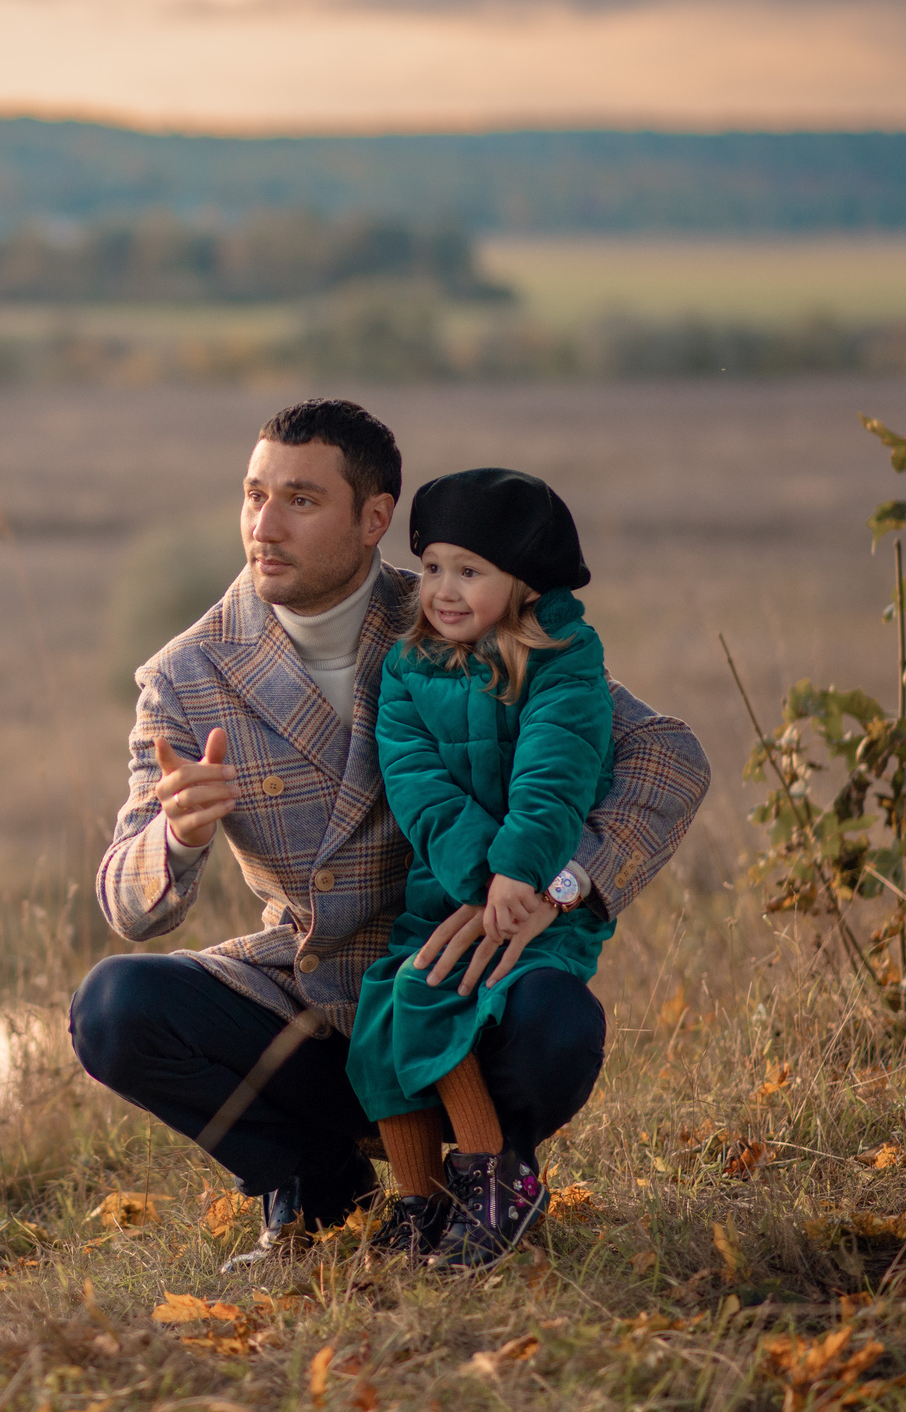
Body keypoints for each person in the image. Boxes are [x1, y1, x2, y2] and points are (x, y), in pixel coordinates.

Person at [68, 399, 708, 1268]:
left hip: (473, 970)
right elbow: (128, 902)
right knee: (113, 1007)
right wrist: (175, 837)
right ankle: (318, 1185)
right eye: (253, 494)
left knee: (557, 1017)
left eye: (300, 499)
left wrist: (557, 891)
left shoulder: (454, 608)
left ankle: (492, 1177)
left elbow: (666, 755)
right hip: (311, 992)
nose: (263, 523)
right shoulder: (189, 674)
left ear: (375, 518)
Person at [346, 467, 612, 1269]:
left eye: (470, 571)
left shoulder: (562, 658)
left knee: (429, 993)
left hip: (531, 904)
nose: (443, 590)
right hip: (448, 894)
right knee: (380, 1020)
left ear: (524, 581)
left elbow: (555, 773)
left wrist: (514, 872)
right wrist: (472, 873)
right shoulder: (407, 668)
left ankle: (495, 1182)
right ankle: (422, 1200)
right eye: (431, 568)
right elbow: (417, 782)